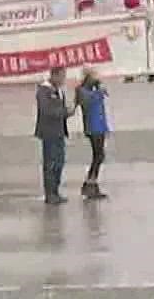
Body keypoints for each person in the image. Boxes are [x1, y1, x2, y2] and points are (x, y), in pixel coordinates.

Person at [34, 66, 73, 205]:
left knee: (59, 162)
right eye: (62, 76)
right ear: (54, 76)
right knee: (50, 163)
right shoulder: (44, 91)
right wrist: (64, 112)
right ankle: (50, 193)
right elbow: (47, 110)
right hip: (49, 132)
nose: (63, 80)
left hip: (59, 132)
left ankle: (56, 190)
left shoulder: (59, 90)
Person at [76, 68, 110, 199]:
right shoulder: (82, 90)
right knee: (98, 155)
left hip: (100, 126)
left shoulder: (94, 89)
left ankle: (92, 183)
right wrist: (98, 92)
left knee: (99, 155)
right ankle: (90, 183)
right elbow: (86, 102)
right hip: (92, 127)